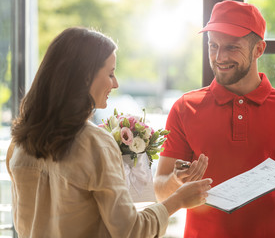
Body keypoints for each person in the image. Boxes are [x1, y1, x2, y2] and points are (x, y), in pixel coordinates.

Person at [6, 27, 212, 238]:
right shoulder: (95, 143)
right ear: (85, 76)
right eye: (111, 73)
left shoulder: (19, 143)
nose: (115, 83)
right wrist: (178, 200)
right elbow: (131, 231)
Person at [154, 0, 275, 238]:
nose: (219, 56)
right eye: (213, 45)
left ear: (259, 49)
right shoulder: (185, 108)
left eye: (232, 47)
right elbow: (161, 191)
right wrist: (176, 179)